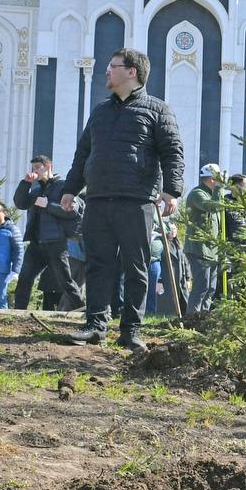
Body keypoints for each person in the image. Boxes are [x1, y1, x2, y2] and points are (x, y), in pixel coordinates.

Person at [61, 48, 184, 353]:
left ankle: (131, 330)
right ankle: (95, 326)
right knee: (98, 264)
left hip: (136, 200)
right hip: (98, 198)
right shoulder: (100, 111)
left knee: (136, 266)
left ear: (132, 72)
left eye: (112, 66)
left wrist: (172, 191)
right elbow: (83, 153)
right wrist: (70, 188)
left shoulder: (158, 110)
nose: (106, 71)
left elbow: (172, 152)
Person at [12, 154, 84, 311]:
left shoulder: (64, 187)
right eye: (33, 168)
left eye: (38, 167)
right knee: (24, 279)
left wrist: (48, 205)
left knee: (65, 280)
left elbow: (72, 212)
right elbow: (20, 203)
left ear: (48, 166)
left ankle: (81, 308)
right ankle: (18, 312)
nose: (35, 171)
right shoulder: (36, 190)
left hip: (56, 242)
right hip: (36, 243)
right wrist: (25, 183)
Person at [185, 163, 226, 313]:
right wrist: (219, 188)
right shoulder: (198, 194)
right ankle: (191, 319)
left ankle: (203, 320)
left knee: (210, 289)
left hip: (212, 250)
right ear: (211, 179)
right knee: (201, 287)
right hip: (199, 248)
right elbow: (212, 207)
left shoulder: (212, 193)